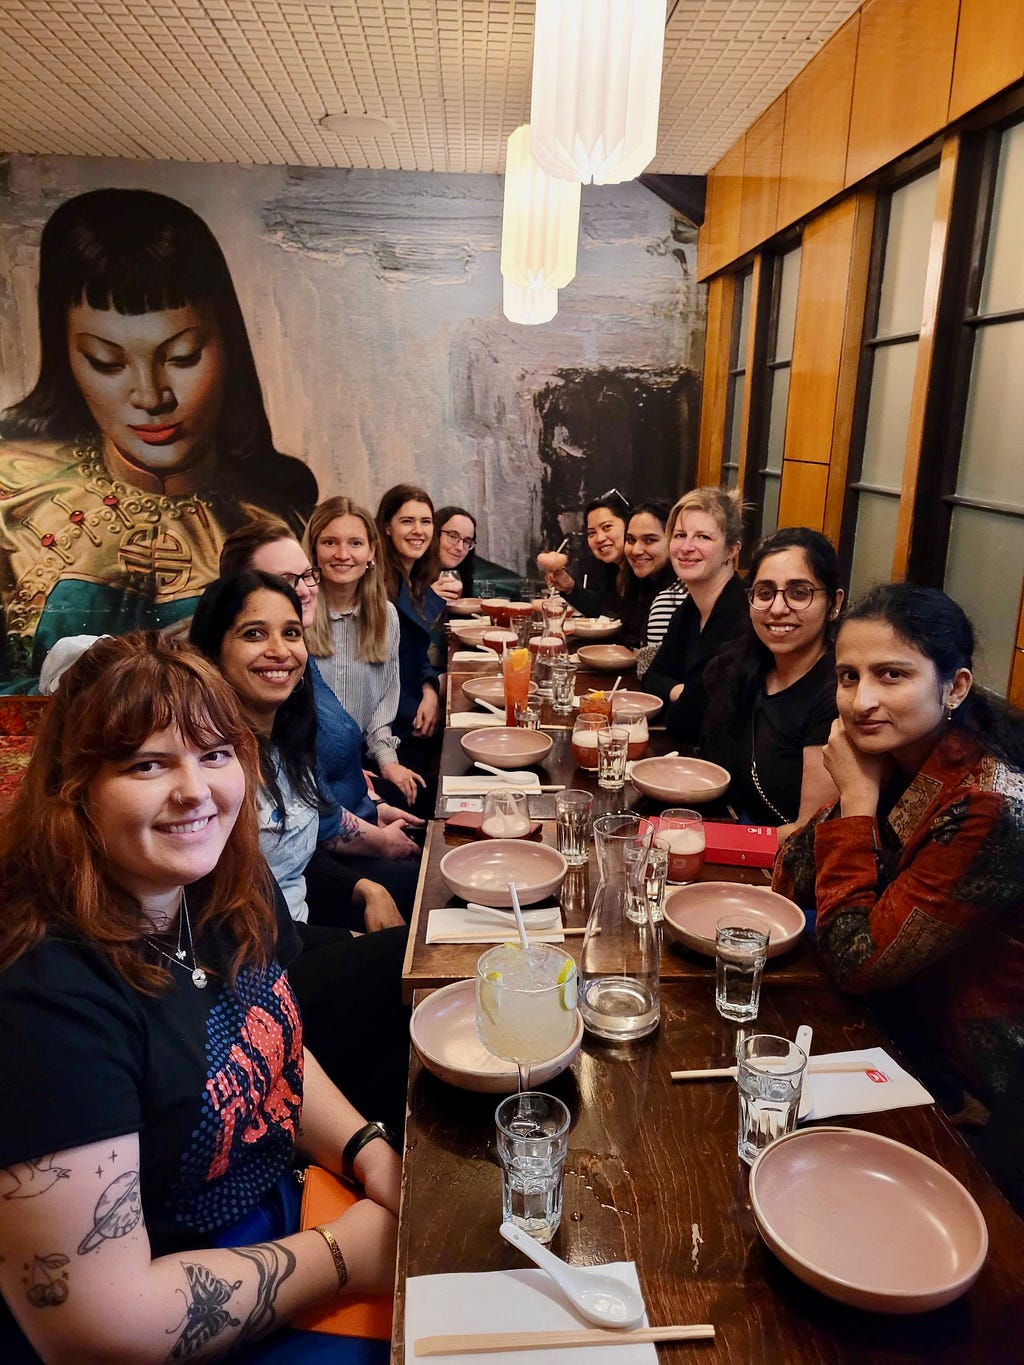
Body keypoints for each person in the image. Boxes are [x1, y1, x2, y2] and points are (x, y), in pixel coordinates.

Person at [0, 633, 398, 1363]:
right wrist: (345, 1254)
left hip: (278, 1220)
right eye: (148, 764)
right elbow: (96, 1327)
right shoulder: (42, 993)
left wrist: (366, 1147)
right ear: (75, 789)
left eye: (214, 754)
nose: (195, 790)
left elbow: (268, 1045)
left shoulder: (223, 884)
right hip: (162, 1310)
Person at [0, 188, 317, 690]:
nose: (150, 396)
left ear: (227, 349)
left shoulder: (275, 514)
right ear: (67, 358)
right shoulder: (13, 500)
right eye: (106, 362)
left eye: (183, 356)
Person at [774, 584, 1024, 1122]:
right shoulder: (901, 757)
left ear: (955, 687)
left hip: (974, 1088)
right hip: (892, 1028)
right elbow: (791, 871)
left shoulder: (988, 803)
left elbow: (855, 961)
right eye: (849, 677)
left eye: (893, 675)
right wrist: (855, 792)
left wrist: (857, 802)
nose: (862, 702)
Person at [218, 517, 423, 918]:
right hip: (307, 871)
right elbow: (293, 818)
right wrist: (378, 843)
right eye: (283, 580)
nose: (305, 590)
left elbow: (313, 776)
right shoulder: (260, 680)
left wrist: (367, 802)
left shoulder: (297, 663)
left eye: (306, 576)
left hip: (341, 825)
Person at [693, 528, 843, 840]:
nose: (777, 608)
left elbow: (808, 833)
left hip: (783, 869)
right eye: (765, 593)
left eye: (799, 593)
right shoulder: (745, 667)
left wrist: (705, 839)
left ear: (834, 604)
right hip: (738, 832)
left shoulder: (836, 694)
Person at [306, 497, 423, 808]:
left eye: (355, 543)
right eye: (330, 542)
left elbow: (382, 703)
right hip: (306, 772)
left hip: (359, 765)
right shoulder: (297, 614)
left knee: (418, 802)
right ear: (314, 550)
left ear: (371, 551)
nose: (343, 555)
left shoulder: (386, 616)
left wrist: (388, 761)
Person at [644, 486, 749, 723]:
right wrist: (682, 692)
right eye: (680, 535)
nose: (686, 547)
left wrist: (679, 697)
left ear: (731, 550)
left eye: (703, 537)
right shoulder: (688, 610)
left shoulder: (739, 617)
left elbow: (687, 720)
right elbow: (652, 678)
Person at [375, 485, 444, 794]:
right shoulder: (377, 588)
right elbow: (377, 676)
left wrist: (431, 690)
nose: (418, 530)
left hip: (411, 720)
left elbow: (415, 657)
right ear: (387, 527)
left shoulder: (414, 582)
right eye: (407, 521)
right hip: (391, 734)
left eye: (425, 521)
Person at [540, 492, 630, 620]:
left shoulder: (642, 573)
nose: (599, 538)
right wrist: (570, 587)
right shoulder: (613, 569)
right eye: (591, 533)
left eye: (607, 527)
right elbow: (602, 611)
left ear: (629, 525)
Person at [618, 499, 678, 650]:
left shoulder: (674, 598)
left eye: (649, 540)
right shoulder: (641, 584)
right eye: (630, 540)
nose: (636, 550)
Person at [432, 505, 478, 597]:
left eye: (466, 541)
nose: (460, 547)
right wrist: (429, 598)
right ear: (434, 534)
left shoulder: (463, 575)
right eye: (453, 536)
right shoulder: (410, 574)